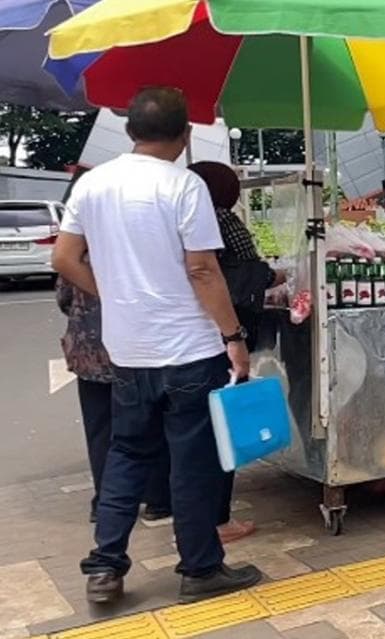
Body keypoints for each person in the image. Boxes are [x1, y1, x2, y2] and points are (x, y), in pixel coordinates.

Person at [52, 87, 262, 604]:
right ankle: (200, 569)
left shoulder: (93, 184)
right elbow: (202, 269)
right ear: (186, 134)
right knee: (192, 459)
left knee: (127, 452)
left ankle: (105, 567)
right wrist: (234, 337)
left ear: (129, 131)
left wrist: (117, 297)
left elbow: (64, 258)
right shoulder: (185, 186)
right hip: (189, 349)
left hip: (127, 350)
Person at [56, 170, 172, 525]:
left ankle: (104, 503)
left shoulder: (76, 246)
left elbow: (63, 297)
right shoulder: (128, 242)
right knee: (150, 424)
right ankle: (157, 500)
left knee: (101, 429)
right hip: (132, 347)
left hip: (87, 350)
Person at [187, 160, 287, 543]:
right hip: (219, 330)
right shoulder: (220, 219)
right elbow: (245, 272)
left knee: (188, 430)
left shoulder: (177, 216)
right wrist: (235, 335)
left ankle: (180, 509)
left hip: (180, 335)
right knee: (220, 423)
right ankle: (217, 520)